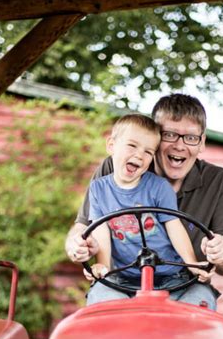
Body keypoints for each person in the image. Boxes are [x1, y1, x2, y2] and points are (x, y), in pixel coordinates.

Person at [66, 94, 223, 309]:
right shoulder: (112, 171)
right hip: (122, 279)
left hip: (182, 280)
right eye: (169, 135)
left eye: (191, 137)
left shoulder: (218, 180)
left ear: (202, 142)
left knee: (197, 311)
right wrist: (77, 246)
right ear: (156, 137)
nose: (179, 145)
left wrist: (221, 253)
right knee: (103, 307)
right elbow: (87, 226)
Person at [85, 114, 210, 306]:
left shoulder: (159, 187)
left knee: (201, 296)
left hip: (170, 276)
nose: (139, 155)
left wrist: (191, 263)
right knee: (101, 296)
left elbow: (174, 226)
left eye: (148, 152)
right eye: (132, 146)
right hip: (124, 277)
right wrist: (103, 265)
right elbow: (100, 230)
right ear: (111, 145)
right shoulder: (98, 189)